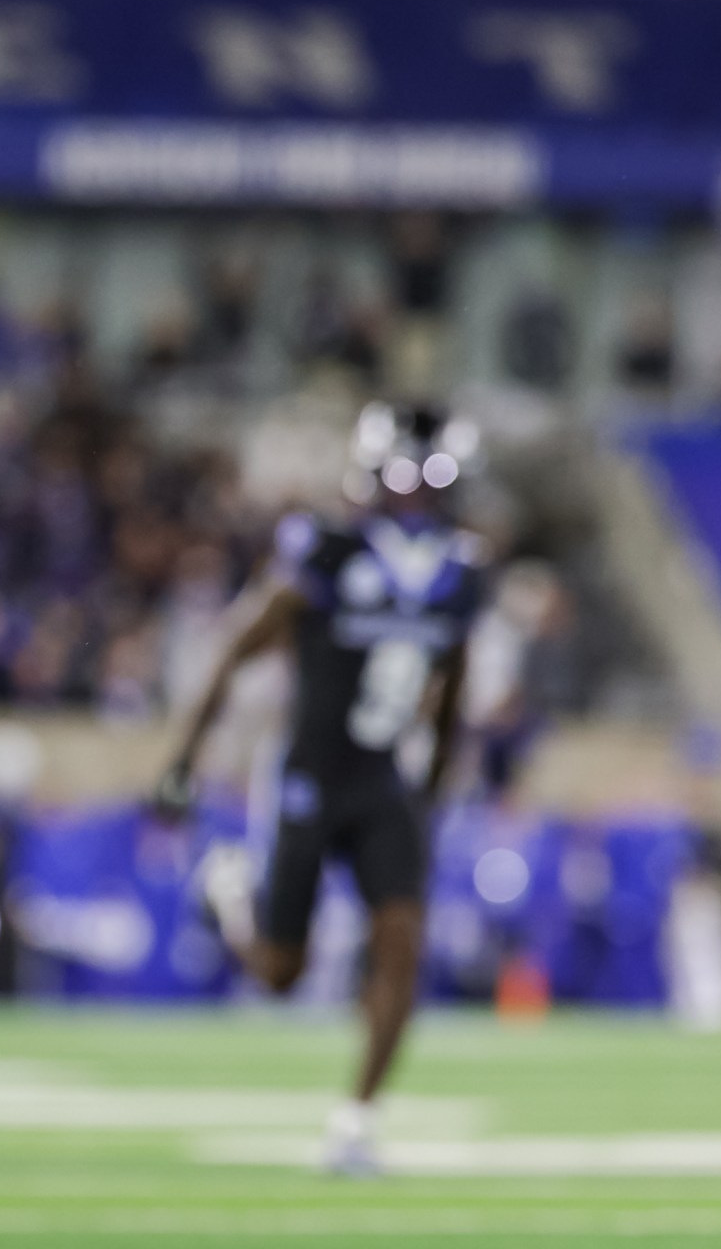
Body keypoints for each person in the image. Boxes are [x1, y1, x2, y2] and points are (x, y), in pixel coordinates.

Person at [157, 400, 485, 1177]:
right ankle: (230, 892)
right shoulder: (328, 552)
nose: (414, 500)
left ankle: (356, 1124)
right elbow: (237, 648)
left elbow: (455, 693)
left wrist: (432, 793)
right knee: (279, 974)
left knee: (403, 942)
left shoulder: (460, 574)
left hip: (380, 779)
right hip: (309, 772)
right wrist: (182, 757)